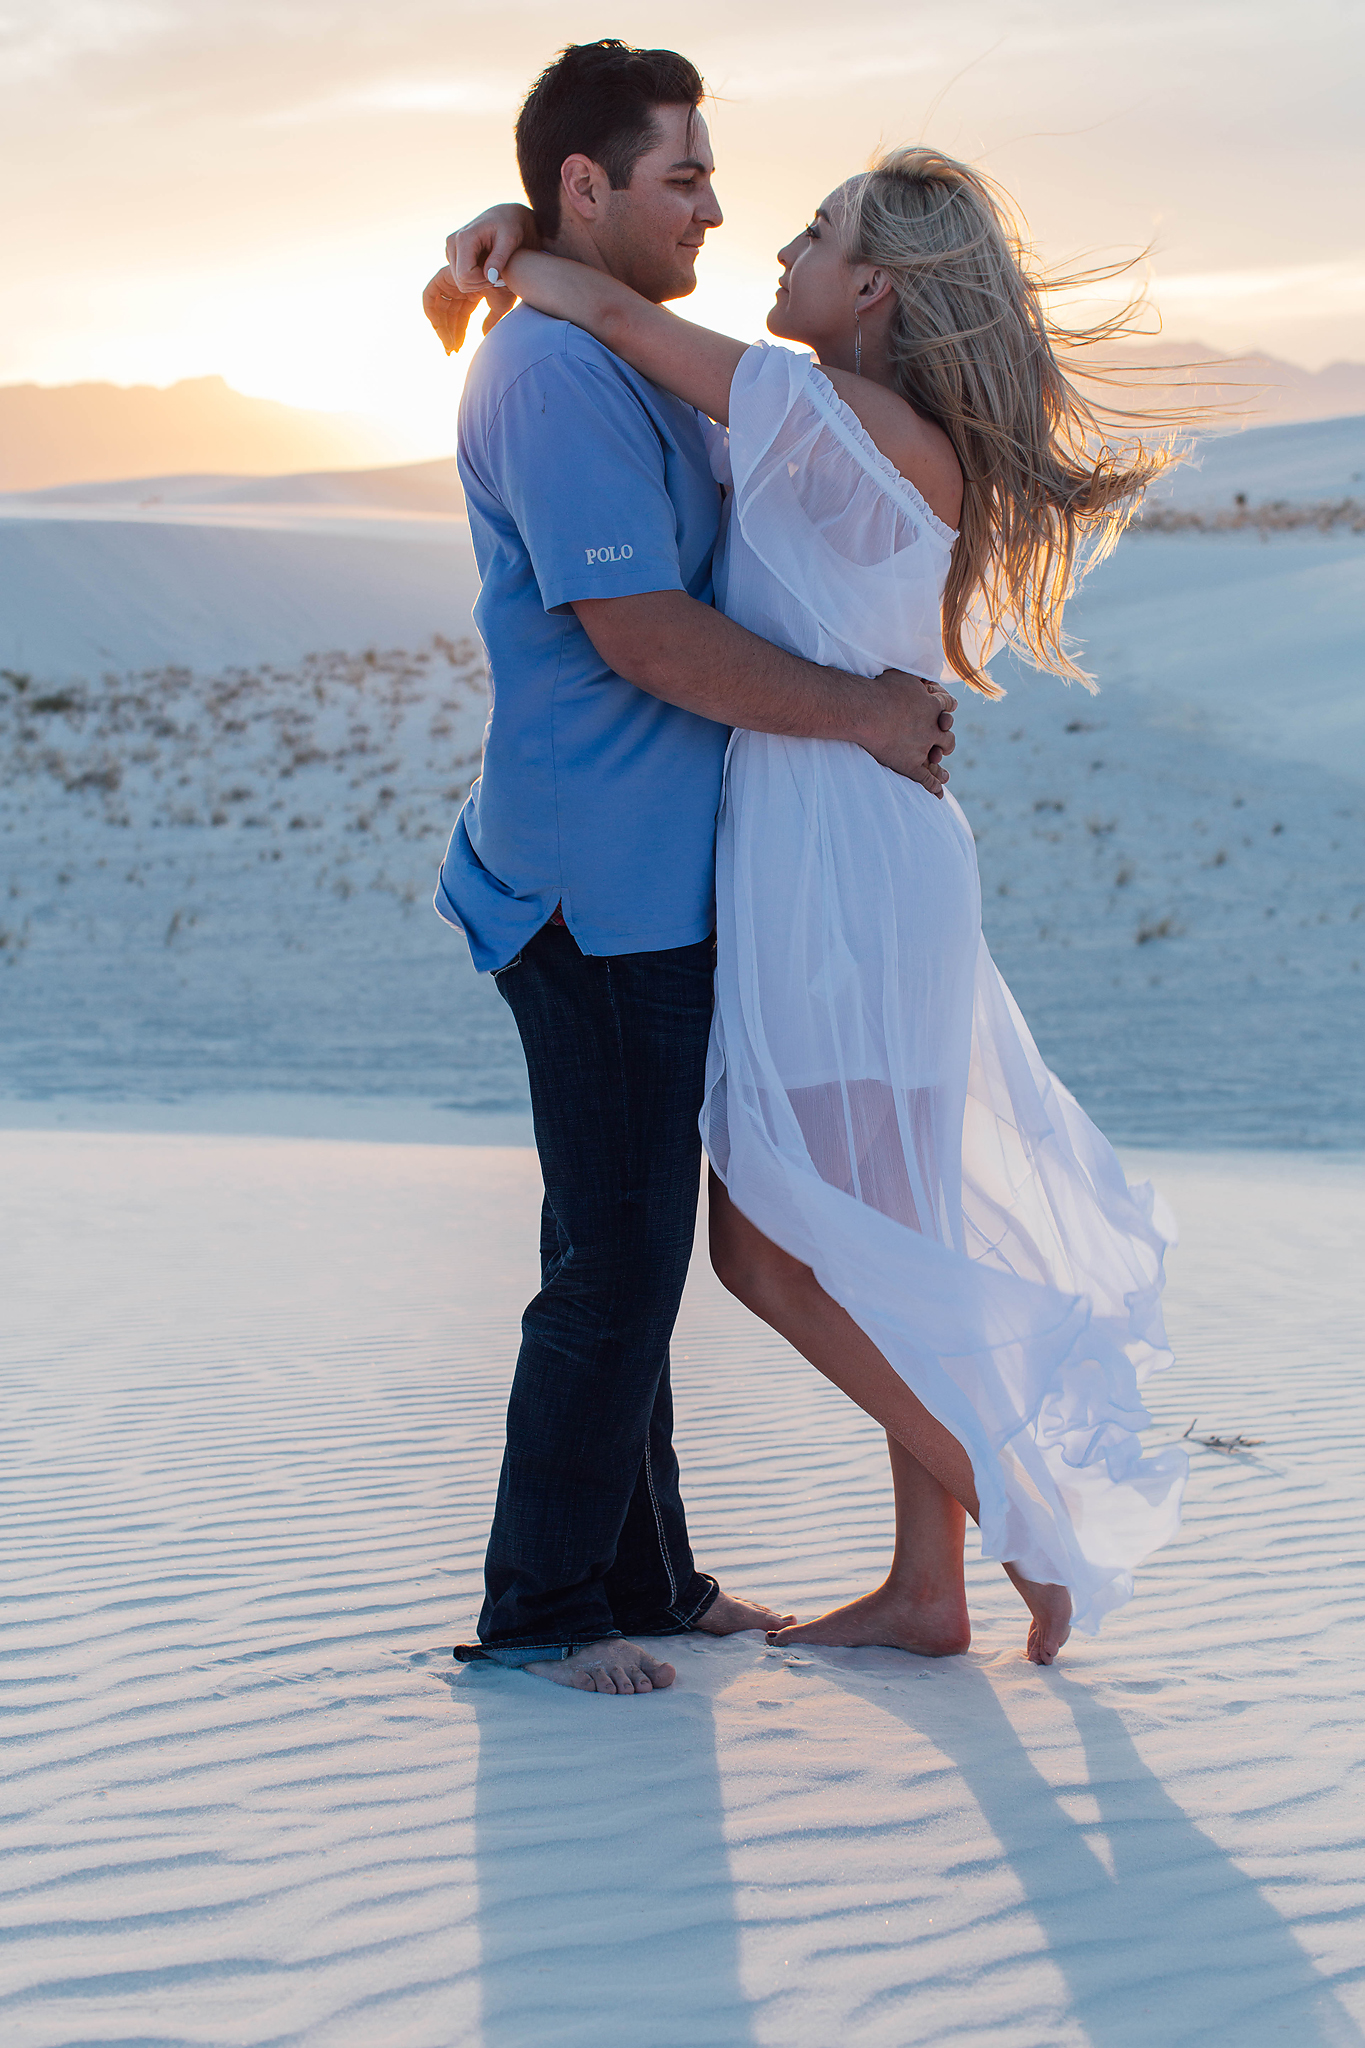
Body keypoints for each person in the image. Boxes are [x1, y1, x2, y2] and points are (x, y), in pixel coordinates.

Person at [431, 130, 1192, 1668]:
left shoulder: (830, 412)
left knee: (769, 1250)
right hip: (842, 842)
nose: (773, 246)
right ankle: (931, 1591)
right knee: (890, 1234)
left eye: (814, 232)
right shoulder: (829, 423)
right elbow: (640, 358)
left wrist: (516, 244)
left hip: (841, 858)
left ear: (873, 289)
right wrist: (509, 227)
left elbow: (632, 327)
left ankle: (1013, 1523)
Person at [426, 41, 956, 1696]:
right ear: (590, 187)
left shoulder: (626, 349)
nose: (718, 209)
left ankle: (647, 1575)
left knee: (635, 1243)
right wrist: (867, 713)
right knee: (617, 1255)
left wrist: (513, 236)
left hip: (672, 877)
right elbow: (646, 637)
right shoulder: (551, 376)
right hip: (594, 886)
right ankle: (545, 1607)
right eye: (683, 177)